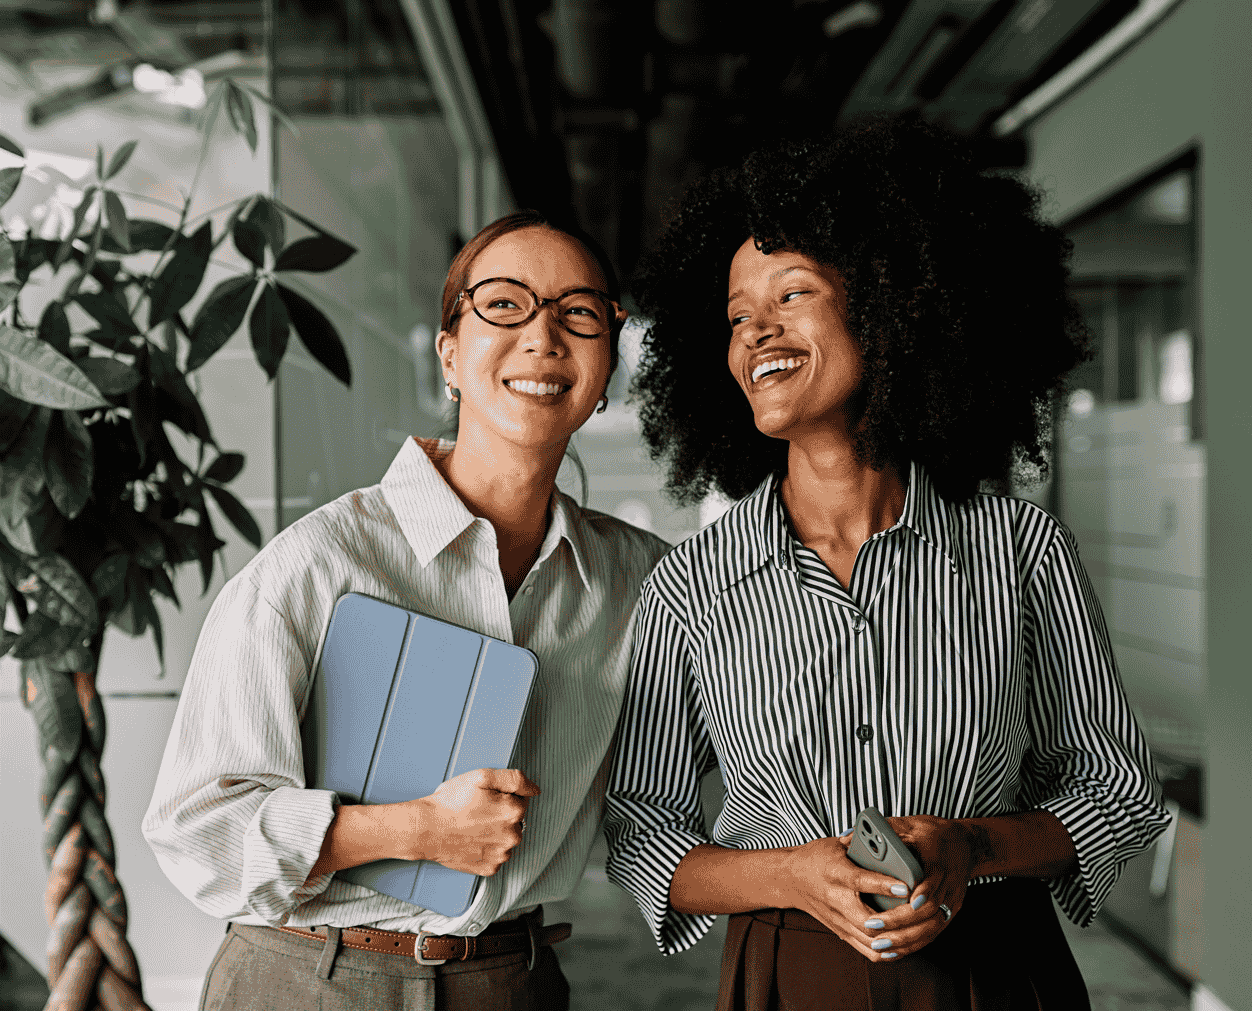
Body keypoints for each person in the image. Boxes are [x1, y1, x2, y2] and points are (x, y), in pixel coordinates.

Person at [603, 115, 1171, 1010]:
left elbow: (1118, 784)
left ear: (891, 302)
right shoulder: (691, 585)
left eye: (791, 295)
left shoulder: (1021, 552)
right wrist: (790, 875)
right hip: (791, 972)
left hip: (994, 964)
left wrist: (972, 848)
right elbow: (641, 831)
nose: (757, 332)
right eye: (738, 315)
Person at [143, 210, 669, 1010]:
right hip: (309, 977)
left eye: (579, 312)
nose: (543, 335)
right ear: (450, 356)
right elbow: (196, 828)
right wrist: (414, 830)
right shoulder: (318, 564)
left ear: (605, 372)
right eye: (504, 304)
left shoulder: (638, 580)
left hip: (510, 980)